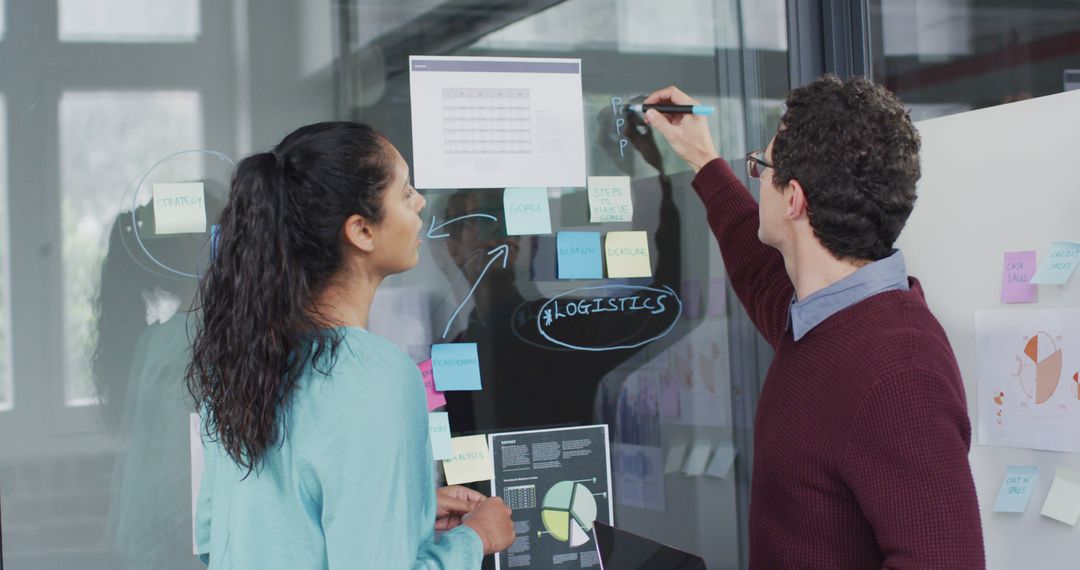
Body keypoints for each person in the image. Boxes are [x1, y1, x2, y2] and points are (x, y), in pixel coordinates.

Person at [642, 76, 985, 568]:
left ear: (794, 199)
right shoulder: (825, 319)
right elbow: (759, 273)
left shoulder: (899, 373)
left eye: (761, 166)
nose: (757, 175)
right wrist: (703, 158)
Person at [186, 121, 514, 568]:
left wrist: (409, 510)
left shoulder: (239, 361)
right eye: (405, 192)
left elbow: (220, 541)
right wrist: (475, 539)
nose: (420, 203)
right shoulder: (375, 376)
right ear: (361, 231)